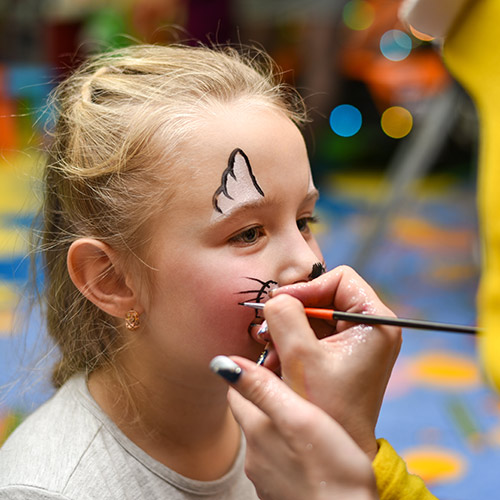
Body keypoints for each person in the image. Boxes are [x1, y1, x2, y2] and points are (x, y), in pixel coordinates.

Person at [0, 43, 424, 499]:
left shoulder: (298, 422)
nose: (307, 261)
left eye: (304, 220)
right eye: (248, 234)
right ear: (112, 279)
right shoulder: (49, 490)